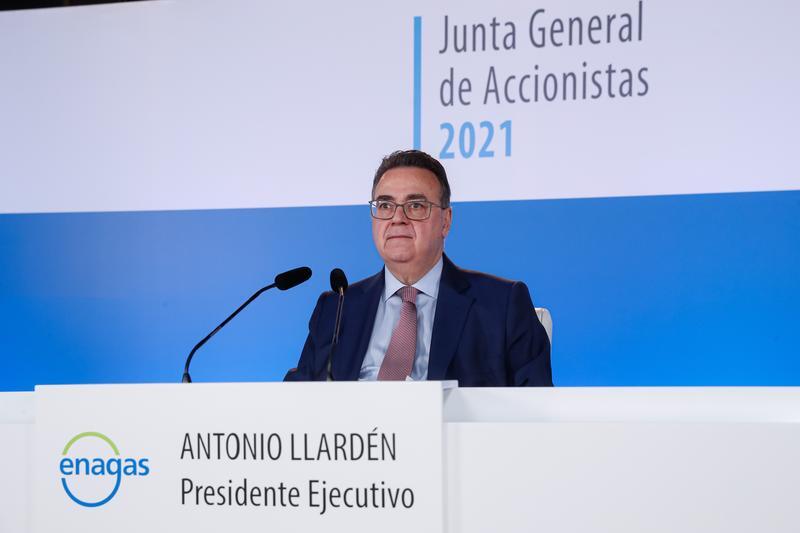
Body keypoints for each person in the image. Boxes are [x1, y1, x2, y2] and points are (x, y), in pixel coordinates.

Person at [285, 150, 552, 386]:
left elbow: (536, 408)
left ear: (445, 221)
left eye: (415, 206)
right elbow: (296, 401)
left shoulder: (502, 306)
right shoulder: (336, 308)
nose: (397, 218)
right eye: (385, 205)